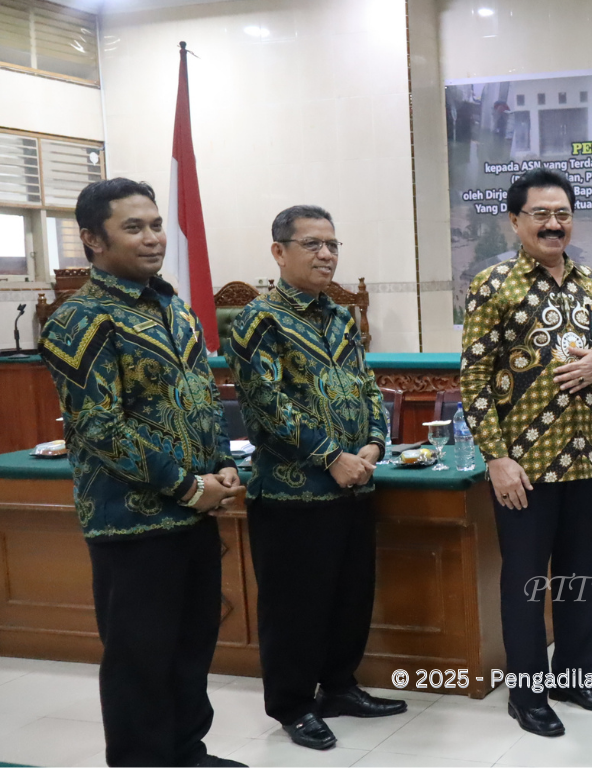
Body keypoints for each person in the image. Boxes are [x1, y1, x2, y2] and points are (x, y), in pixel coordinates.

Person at [40, 178, 245, 767]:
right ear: (92, 241)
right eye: (134, 227)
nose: (153, 238)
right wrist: (188, 486)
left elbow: (203, 397)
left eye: (155, 225)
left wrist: (223, 466)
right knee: (140, 658)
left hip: (194, 514)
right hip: (131, 522)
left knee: (191, 645)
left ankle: (185, 751)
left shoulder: (172, 307)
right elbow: (100, 427)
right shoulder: (80, 319)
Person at [461, 167, 592, 738]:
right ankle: (528, 693)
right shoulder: (493, 285)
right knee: (527, 583)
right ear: (515, 221)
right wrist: (496, 457)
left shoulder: (590, 283)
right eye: (540, 214)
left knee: (581, 578)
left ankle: (574, 677)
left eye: (562, 213)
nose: (553, 224)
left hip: (588, 460)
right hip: (525, 469)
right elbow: (474, 380)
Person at [227, 205, 407, 751]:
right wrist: (332, 456)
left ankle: (340, 688)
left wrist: (375, 442)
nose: (326, 254)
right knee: (295, 606)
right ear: (279, 252)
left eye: (332, 244)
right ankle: (293, 705)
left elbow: (367, 388)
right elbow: (266, 407)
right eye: (312, 244)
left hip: (354, 483)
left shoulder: (339, 316)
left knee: (349, 596)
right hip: (292, 492)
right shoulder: (258, 320)